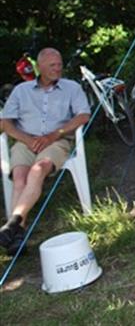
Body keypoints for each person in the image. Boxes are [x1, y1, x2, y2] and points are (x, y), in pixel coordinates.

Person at [0, 48, 90, 255]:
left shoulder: (72, 88)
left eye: (59, 65)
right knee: (19, 178)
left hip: (56, 141)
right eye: (52, 65)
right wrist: (26, 139)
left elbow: (83, 115)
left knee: (37, 170)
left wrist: (54, 135)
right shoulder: (21, 90)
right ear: (39, 67)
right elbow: (5, 123)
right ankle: (17, 236)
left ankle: (13, 223)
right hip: (25, 141)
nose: (58, 69)